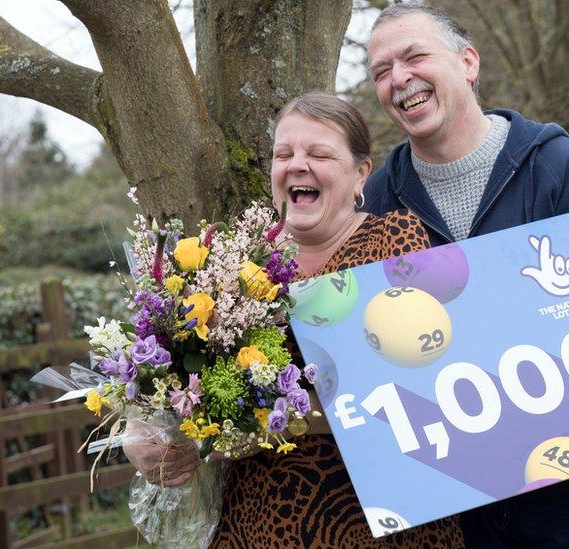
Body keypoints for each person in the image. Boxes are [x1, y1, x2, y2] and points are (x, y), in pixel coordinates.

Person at [363, 4, 569, 547]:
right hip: (457, 512)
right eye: (381, 72)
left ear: (468, 62)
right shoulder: (379, 200)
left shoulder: (554, 162)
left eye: (414, 56)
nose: (398, 79)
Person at [124, 92, 464, 548]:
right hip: (251, 523)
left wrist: (260, 417)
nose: (297, 164)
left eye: (319, 153)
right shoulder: (231, 263)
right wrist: (141, 433)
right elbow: (168, 375)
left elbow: (420, 386)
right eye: (284, 154)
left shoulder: (395, 243)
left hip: (375, 523)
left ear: (361, 173)